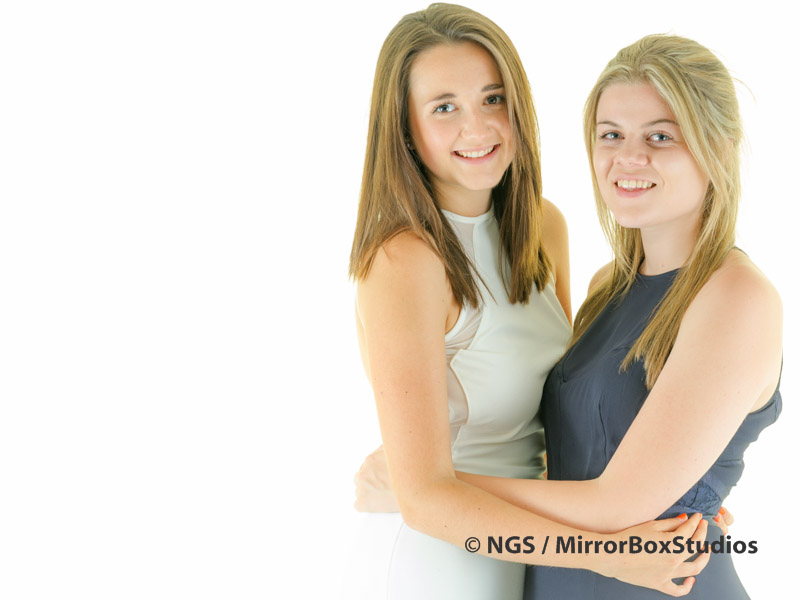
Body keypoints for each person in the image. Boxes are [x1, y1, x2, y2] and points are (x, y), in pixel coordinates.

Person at [358, 33, 781, 598]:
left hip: (651, 580)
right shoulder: (608, 287)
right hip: (527, 567)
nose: (629, 157)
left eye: (660, 136)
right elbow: (579, 445)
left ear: (721, 147)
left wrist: (428, 487)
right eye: (612, 134)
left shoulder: (737, 297)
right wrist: (426, 494)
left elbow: (617, 500)